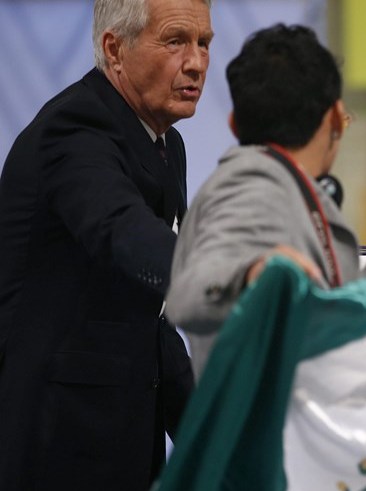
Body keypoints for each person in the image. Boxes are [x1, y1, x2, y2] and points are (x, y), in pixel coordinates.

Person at [0, 0, 212, 489]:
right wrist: (230, 282)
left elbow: (147, 315)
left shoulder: (165, 143)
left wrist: (209, 428)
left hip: (124, 445)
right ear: (114, 50)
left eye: (204, 43)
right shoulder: (74, 128)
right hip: (54, 446)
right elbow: (123, 231)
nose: (197, 62)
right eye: (176, 40)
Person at [165, 24, 366, 379]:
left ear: (234, 124)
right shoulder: (251, 186)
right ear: (336, 117)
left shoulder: (287, 185)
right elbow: (188, 296)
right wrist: (249, 274)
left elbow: (314, 314)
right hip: (270, 432)